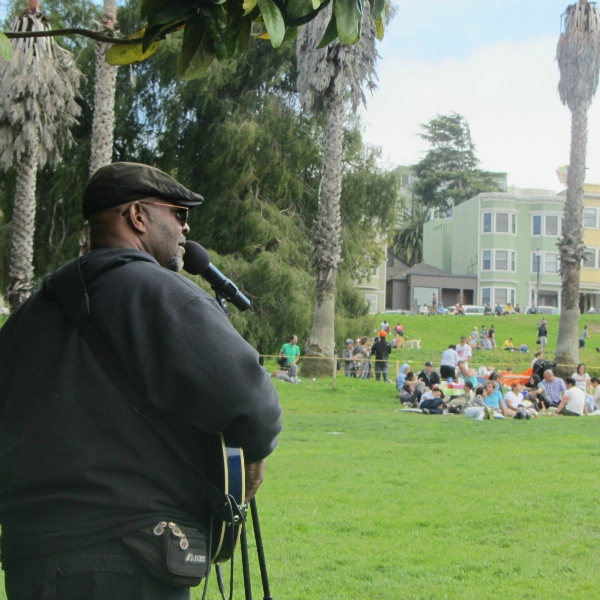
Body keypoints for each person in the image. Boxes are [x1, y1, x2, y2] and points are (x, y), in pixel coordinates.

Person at [0, 163, 283, 599]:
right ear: (137, 216)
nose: (186, 228)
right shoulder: (160, 292)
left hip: (29, 560)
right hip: (126, 559)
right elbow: (255, 403)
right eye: (178, 214)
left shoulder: (27, 316)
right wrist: (252, 458)